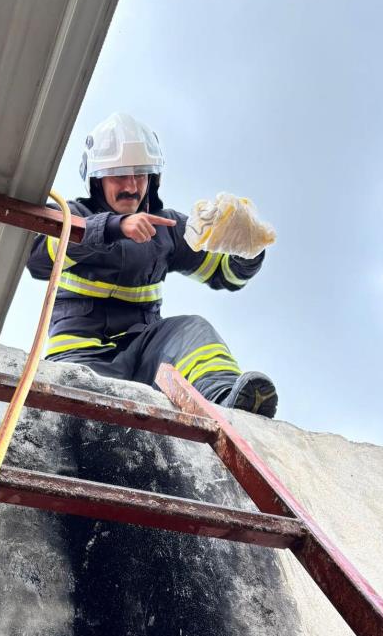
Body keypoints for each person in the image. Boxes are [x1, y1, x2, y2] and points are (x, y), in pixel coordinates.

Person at [27, 112, 278, 416]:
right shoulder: (71, 215)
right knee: (91, 420)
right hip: (81, 358)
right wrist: (114, 227)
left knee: (193, 328)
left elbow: (225, 275)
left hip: (145, 355)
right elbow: (37, 257)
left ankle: (225, 402)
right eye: (120, 175)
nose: (132, 186)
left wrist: (245, 247)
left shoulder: (166, 228)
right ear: (97, 180)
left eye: (140, 175)